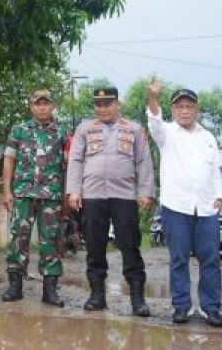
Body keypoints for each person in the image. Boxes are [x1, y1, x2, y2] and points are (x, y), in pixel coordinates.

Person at [66, 85, 156, 316]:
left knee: (129, 244)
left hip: (124, 195)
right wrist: (73, 191)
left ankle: (137, 298)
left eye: (107, 103)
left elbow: (144, 162)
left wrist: (146, 191)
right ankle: (97, 295)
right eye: (98, 104)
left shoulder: (134, 129)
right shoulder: (84, 129)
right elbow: (75, 160)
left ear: (118, 104)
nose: (103, 108)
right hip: (93, 194)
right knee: (95, 246)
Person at [145, 80, 222, 327]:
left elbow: (214, 170)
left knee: (210, 260)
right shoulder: (166, 133)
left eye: (189, 106)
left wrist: (220, 193)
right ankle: (181, 306)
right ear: (172, 110)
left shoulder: (208, 137)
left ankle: (210, 307)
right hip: (176, 207)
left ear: (197, 110)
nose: (184, 110)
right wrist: (152, 97)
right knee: (179, 259)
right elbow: (154, 120)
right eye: (179, 106)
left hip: (206, 207)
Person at [1, 89, 69, 307]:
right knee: (18, 239)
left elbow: (68, 166)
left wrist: (67, 196)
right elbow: (8, 161)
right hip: (23, 193)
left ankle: (50, 290)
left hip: (52, 195)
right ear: (31, 107)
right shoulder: (19, 130)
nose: (42, 107)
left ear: (52, 106)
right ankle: (15, 286)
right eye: (38, 104)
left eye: (46, 103)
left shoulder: (62, 132)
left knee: (51, 240)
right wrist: (7, 190)